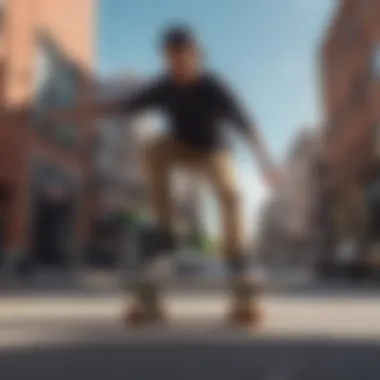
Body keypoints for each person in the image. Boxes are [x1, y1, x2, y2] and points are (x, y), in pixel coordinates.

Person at [52, 25, 280, 327]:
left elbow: (247, 125)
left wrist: (266, 163)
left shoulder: (214, 87)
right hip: (179, 147)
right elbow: (122, 106)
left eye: (184, 57)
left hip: (214, 152)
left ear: (196, 57)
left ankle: (236, 255)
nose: (178, 65)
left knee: (230, 194)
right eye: (171, 58)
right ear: (166, 59)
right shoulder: (164, 87)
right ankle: (166, 232)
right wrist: (77, 112)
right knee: (154, 147)